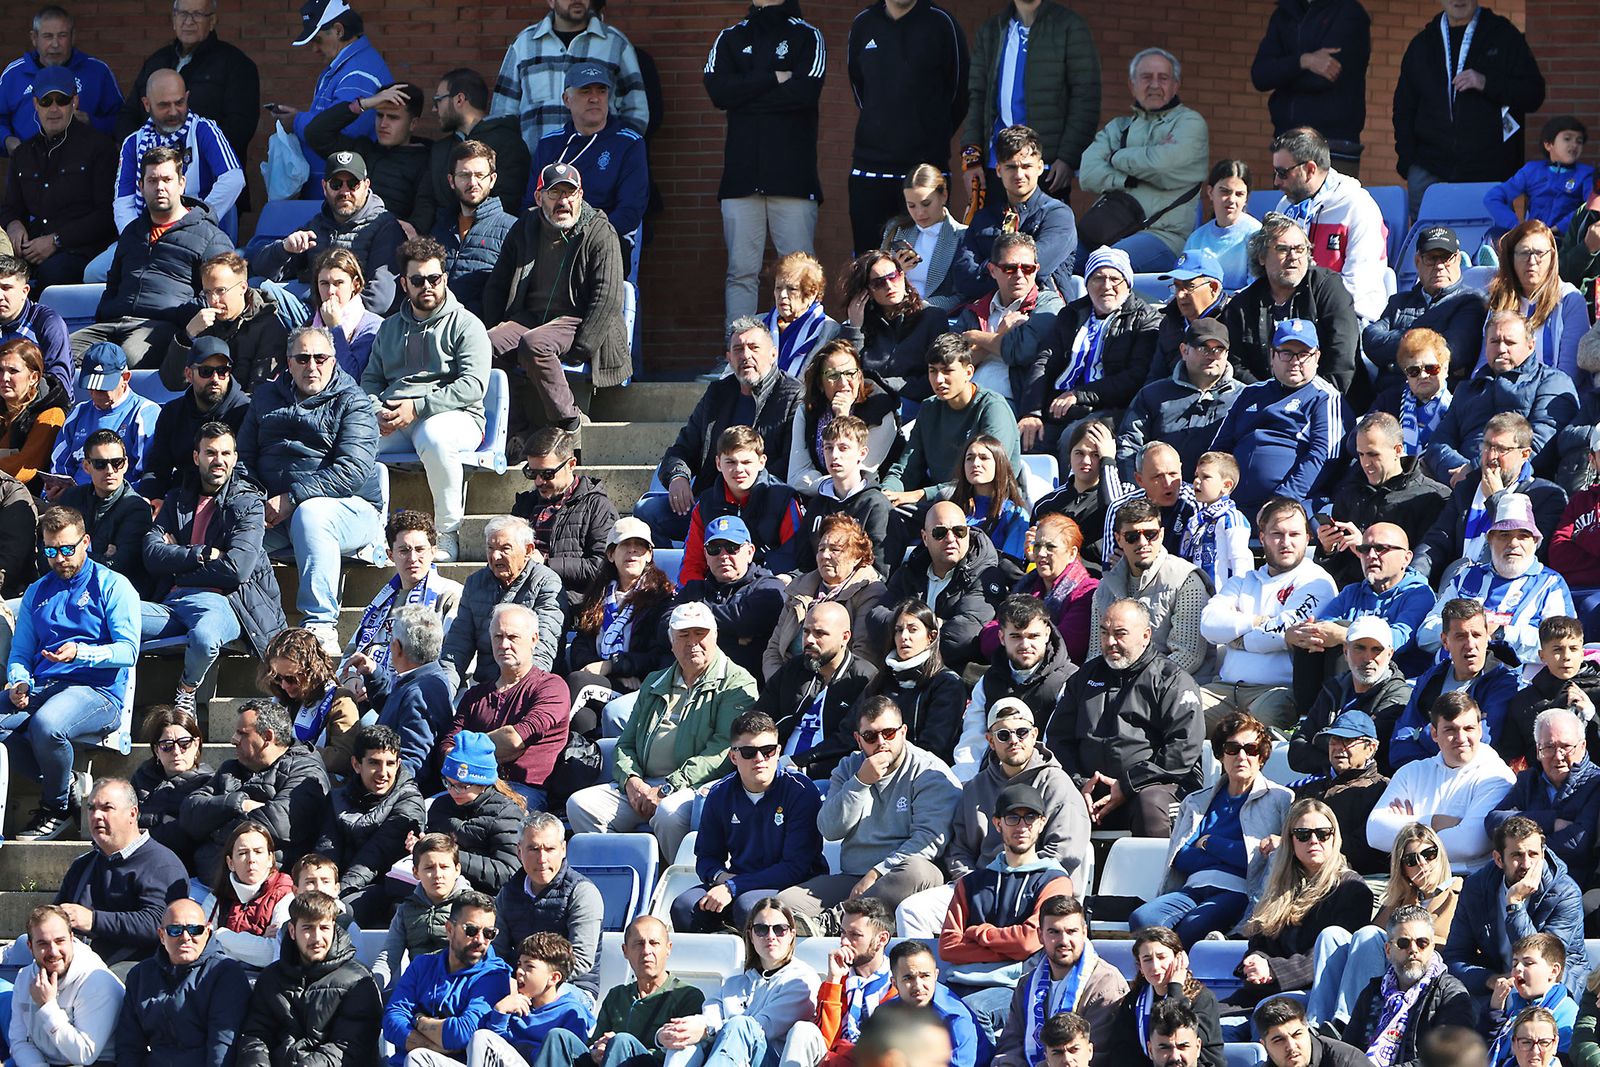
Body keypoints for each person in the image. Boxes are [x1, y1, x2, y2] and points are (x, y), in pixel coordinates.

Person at [567, 601, 756, 862]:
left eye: (700, 633)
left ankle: (677, 877)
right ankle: (624, 873)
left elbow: (723, 750)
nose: (693, 643)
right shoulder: (655, 681)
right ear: (671, 642)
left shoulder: (737, 683)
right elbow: (626, 742)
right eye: (683, 635)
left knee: (668, 814)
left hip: (695, 787)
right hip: (645, 783)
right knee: (580, 806)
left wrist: (669, 787)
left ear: (715, 636)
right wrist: (631, 781)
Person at [239, 325, 383, 656]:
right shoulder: (264, 397)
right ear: (288, 363)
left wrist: (292, 498)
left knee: (311, 513)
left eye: (321, 358)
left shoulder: (354, 401)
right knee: (232, 528)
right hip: (276, 510)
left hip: (349, 510)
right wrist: (254, 502)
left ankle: (320, 624)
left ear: (334, 361)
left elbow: (352, 471)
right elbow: (243, 459)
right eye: (303, 358)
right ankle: (248, 626)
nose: (312, 366)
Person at [1, 505, 137, 840]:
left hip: (97, 692)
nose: (60, 558)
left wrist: (82, 652)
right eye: (51, 551)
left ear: (85, 542)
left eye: (67, 549)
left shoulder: (113, 585)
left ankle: (57, 806)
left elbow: (128, 651)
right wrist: (20, 681)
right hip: (45, 686)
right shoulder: (37, 591)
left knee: (47, 725)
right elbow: (21, 653)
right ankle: (68, 782)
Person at [777, 696, 960, 934]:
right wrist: (860, 782)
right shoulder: (849, 767)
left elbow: (928, 841)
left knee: (917, 870)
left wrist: (878, 872)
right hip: (854, 876)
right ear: (858, 739)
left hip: (904, 877)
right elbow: (829, 829)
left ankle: (833, 922)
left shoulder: (929, 771)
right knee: (784, 906)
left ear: (904, 731)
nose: (881, 742)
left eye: (889, 733)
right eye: (871, 736)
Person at [142, 421, 285, 712]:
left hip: (221, 603)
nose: (218, 460)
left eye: (225, 453)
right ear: (197, 457)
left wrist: (177, 563)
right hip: (171, 605)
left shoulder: (248, 504)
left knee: (205, 638)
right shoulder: (177, 499)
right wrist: (203, 553)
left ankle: (185, 692)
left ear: (235, 457)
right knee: (111, 614)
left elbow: (237, 570)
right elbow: (152, 554)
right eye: (210, 453)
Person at [482, 162, 629, 440]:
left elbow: (607, 296)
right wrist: (497, 324)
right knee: (484, 345)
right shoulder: (525, 226)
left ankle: (571, 421)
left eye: (570, 193)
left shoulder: (599, 231)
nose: (563, 201)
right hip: (530, 318)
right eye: (554, 193)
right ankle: (516, 433)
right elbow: (497, 283)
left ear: (580, 195)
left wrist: (583, 347)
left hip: (577, 320)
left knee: (535, 344)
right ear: (539, 198)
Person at [364, 235, 489, 562]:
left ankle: (447, 533)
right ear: (404, 284)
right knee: (355, 442)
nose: (427, 286)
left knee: (434, 437)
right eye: (418, 280)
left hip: (455, 416)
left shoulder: (466, 324)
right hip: (396, 417)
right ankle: (369, 536)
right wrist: (376, 410)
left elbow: (473, 385)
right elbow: (371, 380)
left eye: (434, 278)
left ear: (444, 278)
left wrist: (418, 407)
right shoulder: (389, 328)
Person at [702, 0, 824, 327]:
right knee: (741, 272)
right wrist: (773, 78)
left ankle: (802, 346)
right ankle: (737, 347)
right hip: (741, 180)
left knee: (800, 274)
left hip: (793, 180)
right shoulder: (730, 37)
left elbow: (804, 93)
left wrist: (744, 95)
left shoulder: (807, 36)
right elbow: (718, 92)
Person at [1129, 712, 1292, 946]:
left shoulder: (1280, 799)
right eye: (1232, 748)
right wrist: (1234, 854)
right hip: (1193, 888)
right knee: (1143, 918)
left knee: (1194, 924)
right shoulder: (1196, 801)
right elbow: (1181, 856)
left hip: (1239, 891)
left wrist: (1209, 842)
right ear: (1221, 755)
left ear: (1262, 757)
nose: (1242, 756)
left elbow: (1255, 860)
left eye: (1251, 749)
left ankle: (1179, 967)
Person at [1048, 598, 1205, 839]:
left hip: (1153, 788)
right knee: (1043, 798)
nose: (1110, 642)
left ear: (1146, 635)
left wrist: (1127, 785)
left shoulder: (1172, 679)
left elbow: (1183, 749)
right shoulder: (1084, 677)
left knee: (1150, 804)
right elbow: (1059, 740)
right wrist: (1079, 783)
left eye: (1120, 634)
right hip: (1089, 791)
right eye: (1104, 633)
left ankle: (1157, 866)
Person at [641, 318, 802, 544]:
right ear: (729, 358)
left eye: (754, 348)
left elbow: (789, 462)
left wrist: (740, 487)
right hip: (711, 502)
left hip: (763, 507)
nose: (746, 355)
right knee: (647, 511)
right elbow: (683, 448)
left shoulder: (793, 395)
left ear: (773, 354)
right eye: (738, 349)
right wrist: (678, 476)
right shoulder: (717, 393)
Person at [940, 781, 1077, 1045]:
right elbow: (948, 947)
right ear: (997, 823)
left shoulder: (1054, 881)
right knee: (913, 1011)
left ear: (1042, 823)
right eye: (1012, 817)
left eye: (1030, 817)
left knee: (972, 1011)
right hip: (960, 983)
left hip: (1019, 985)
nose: (1022, 826)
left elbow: (1029, 941)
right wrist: (1010, 948)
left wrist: (980, 933)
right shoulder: (971, 883)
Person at [71, 146, 232, 364]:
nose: (160, 187)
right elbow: (113, 284)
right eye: (152, 181)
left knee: (126, 360)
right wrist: (108, 310)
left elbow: (219, 295)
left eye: (167, 180)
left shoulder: (211, 237)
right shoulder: (132, 232)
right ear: (141, 186)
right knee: (58, 356)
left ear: (181, 183)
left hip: (162, 327)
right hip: (113, 323)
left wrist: (177, 315)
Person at [1220, 797, 1376, 1016]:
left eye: (1323, 833)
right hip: (1264, 991)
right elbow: (1261, 942)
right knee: (1206, 1023)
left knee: (1265, 1020)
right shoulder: (1279, 886)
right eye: (1303, 834)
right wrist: (1257, 959)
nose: (1313, 840)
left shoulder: (1351, 888)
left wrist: (1274, 971)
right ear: (1291, 841)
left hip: (1315, 994)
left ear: (1334, 838)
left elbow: (1332, 957)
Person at [672, 710, 824, 933]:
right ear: (733, 757)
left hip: (793, 884)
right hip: (740, 881)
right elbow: (706, 858)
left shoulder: (801, 790)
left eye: (768, 751)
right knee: (685, 907)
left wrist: (733, 887)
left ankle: (751, 954)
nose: (759, 759)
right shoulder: (719, 794)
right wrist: (721, 877)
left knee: (749, 907)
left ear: (778, 751)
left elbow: (795, 868)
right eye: (749, 752)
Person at [1392, 0, 1545, 218]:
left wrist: (1486, 83)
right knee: (1428, 239)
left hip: (1487, 173)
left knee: (1488, 238)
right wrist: (1409, 163)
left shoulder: (1503, 36)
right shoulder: (1423, 44)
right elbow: (1404, 108)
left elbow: (1533, 94)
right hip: (1429, 170)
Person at [1199, 498, 1336, 730]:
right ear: (1262, 537)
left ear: (1308, 538)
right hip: (1224, 689)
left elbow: (1288, 631)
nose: (1286, 542)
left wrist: (1235, 637)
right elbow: (1208, 625)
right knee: (1182, 708)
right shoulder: (1243, 581)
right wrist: (1258, 621)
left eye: (1294, 534)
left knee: (1255, 722)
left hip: (1276, 692)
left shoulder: (1317, 581)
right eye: (1277, 534)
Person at [844, 0, 967, 254]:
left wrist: (929, 133)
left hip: (925, 170)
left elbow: (960, 93)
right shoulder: (863, 23)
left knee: (923, 261)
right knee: (869, 262)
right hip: (869, 170)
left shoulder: (942, 23)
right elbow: (859, 88)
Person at [1078, 48, 1209, 272]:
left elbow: (1162, 167)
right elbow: (1088, 174)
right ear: (1132, 85)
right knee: (1061, 262)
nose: (1154, 85)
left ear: (1175, 85)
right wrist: (1126, 179)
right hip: (1108, 227)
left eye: (1163, 78)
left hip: (1162, 236)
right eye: (1146, 77)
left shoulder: (1190, 123)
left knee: (1107, 267)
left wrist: (1116, 157)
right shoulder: (1118, 126)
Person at [961, 0, 1098, 206]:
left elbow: (1086, 97)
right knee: (992, 227)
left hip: (1046, 167)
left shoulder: (1069, 26)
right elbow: (977, 97)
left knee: (1043, 227)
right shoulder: (991, 29)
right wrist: (971, 160)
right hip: (996, 165)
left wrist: (1068, 158)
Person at [653, 900, 820, 1067]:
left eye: (779, 929)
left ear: (791, 935)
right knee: (686, 1042)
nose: (771, 936)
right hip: (730, 1056)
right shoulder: (735, 983)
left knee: (740, 1025)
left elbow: (762, 1027)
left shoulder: (802, 980)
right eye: (761, 929)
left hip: (771, 1061)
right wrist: (673, 1032)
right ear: (751, 936)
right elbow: (709, 1017)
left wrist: (707, 1030)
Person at [1418, 494, 1574, 669]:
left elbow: (1563, 646)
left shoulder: (1550, 584)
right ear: (1490, 540)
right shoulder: (1466, 577)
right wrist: (1469, 630)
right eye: (1504, 535)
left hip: (1516, 682)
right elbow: (1424, 635)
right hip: (1450, 677)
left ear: (1535, 541)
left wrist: (1501, 632)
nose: (1513, 543)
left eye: (1523, 536)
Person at [1209, 320, 1347, 516]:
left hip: (1289, 509)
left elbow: (1323, 457)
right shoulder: (1250, 393)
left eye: (1304, 354)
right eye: (1286, 353)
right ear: (1272, 356)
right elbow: (1219, 451)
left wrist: (1281, 501)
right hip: (1231, 504)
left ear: (1316, 357)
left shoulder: (1325, 398)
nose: (1295, 361)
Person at [1413, 412, 1568, 585]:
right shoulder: (1467, 488)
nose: (1491, 456)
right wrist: (1415, 576)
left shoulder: (1546, 496)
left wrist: (1497, 498)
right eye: (1487, 446)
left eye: (1501, 449)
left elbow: (1531, 551)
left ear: (1525, 454)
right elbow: (1437, 541)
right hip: (1456, 586)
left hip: (1509, 589)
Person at [178, 699, 331, 874]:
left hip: (271, 883)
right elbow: (189, 813)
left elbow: (279, 825)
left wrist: (213, 827)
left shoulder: (306, 771)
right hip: (209, 879)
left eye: (242, 733)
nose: (233, 740)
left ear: (267, 737)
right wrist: (238, 803)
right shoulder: (231, 769)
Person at [1370, 691, 1515, 873]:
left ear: (1480, 730)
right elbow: (1375, 833)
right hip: (1409, 879)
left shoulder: (1497, 776)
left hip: (1466, 881)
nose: (1461, 738)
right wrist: (1434, 822)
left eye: (1468, 728)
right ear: (1434, 733)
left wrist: (1407, 826)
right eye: (1450, 730)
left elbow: (1469, 845)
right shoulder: (1411, 772)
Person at [248, 151, 405, 319]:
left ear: (366, 186)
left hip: (357, 321)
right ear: (324, 187)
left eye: (353, 184)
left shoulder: (384, 226)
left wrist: (327, 313)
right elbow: (260, 269)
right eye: (336, 184)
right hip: (314, 310)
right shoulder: (317, 224)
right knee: (255, 286)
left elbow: (379, 300)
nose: (345, 191)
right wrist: (284, 249)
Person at [445, 604, 571, 811]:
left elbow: (514, 739)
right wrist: (490, 749)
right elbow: (447, 748)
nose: (504, 644)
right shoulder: (474, 696)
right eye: (498, 637)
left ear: (534, 639)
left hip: (522, 792)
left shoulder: (552, 687)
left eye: (513, 637)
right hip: (464, 786)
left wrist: (466, 749)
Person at [235, 890, 382, 1067]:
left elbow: (348, 1048)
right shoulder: (271, 978)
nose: (317, 938)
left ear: (334, 927)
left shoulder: (358, 981)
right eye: (307, 928)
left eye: (324, 928)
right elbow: (256, 1036)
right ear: (292, 931)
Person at [1447, 815, 1587, 999]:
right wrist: (1490, 980)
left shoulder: (1565, 893)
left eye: (1533, 854)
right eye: (1517, 855)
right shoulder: (1476, 888)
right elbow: (1455, 956)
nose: (1526, 864)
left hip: (1556, 987)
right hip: (1499, 985)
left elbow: (1542, 963)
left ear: (1543, 854)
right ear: (1498, 859)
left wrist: (1515, 904)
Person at [1, 67, 117, 289]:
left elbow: (106, 215)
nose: (54, 108)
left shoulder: (100, 148)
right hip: (30, 249)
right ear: (35, 104)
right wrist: (13, 224)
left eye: (61, 100)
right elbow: (10, 207)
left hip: (80, 250)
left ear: (75, 102)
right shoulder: (23, 153)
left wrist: (57, 240)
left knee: (53, 273)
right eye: (46, 101)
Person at [1221, 214, 1361, 394]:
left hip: (1327, 398)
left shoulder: (1328, 287)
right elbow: (1236, 364)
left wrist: (1309, 400)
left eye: (1300, 249)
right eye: (1282, 249)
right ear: (1262, 257)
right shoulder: (1242, 305)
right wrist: (1269, 398)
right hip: (1265, 402)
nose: (1293, 256)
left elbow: (1342, 355)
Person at [1039, 247, 1161, 452]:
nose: (1107, 286)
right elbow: (1044, 362)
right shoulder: (1071, 314)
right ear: (1087, 284)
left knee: (1076, 437)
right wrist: (1031, 413)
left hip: (1115, 407)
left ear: (1128, 283)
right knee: (1028, 435)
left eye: (1115, 279)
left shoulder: (1145, 319)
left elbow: (1136, 376)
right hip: (1063, 405)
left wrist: (1079, 394)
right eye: (1098, 278)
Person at [117, 0, 259, 170]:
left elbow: (239, 128)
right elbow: (128, 115)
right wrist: (145, 153)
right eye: (183, 14)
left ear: (212, 20)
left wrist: (186, 158)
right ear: (174, 19)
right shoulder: (156, 61)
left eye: (197, 14)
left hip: (211, 175)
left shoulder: (236, 64)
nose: (188, 21)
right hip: (153, 174)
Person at [339, 508, 464, 700]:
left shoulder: (450, 594)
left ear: (433, 551)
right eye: (404, 550)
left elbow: (452, 662)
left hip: (423, 696)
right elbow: (353, 651)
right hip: (373, 694)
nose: (413, 558)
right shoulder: (381, 601)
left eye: (420, 549)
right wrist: (351, 678)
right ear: (390, 555)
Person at [883, 335, 1021, 507]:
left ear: (968, 372)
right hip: (938, 502)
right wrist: (886, 493)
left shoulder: (993, 408)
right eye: (933, 371)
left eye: (947, 371)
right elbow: (907, 468)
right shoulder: (929, 408)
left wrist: (920, 494)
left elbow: (987, 475)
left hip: (985, 506)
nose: (938, 380)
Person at [529, 63, 648, 262]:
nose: (595, 98)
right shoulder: (549, 144)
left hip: (606, 244)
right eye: (585, 91)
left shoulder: (629, 143)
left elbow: (630, 211)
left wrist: (584, 239)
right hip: (551, 243)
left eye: (601, 90)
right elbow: (530, 203)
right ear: (567, 99)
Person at [489, 0, 647, 148]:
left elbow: (636, 110)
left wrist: (618, 151)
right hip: (536, 161)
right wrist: (514, 159)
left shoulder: (615, 43)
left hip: (600, 162)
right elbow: (502, 114)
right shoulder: (524, 44)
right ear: (551, 1)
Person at [993, 896, 1129, 1067]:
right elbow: (1011, 1043)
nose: (1064, 941)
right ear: (1040, 935)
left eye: (1071, 931)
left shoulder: (1106, 984)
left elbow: (1097, 1055)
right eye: (1054, 932)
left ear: (1084, 932)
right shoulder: (1026, 984)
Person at [380, 891, 512, 1067]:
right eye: (471, 930)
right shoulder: (422, 965)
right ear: (449, 929)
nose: (480, 940)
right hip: (403, 1063)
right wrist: (433, 1046)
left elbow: (463, 1034)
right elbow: (391, 1020)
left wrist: (418, 1020)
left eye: (489, 933)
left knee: (416, 1058)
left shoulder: (494, 975)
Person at [1268, 127, 1388, 320]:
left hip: (1350, 315)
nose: (1276, 182)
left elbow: (1357, 286)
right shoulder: (1286, 205)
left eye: (1283, 173)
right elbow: (1271, 269)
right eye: (1275, 172)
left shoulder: (1358, 206)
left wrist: (1305, 309)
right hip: (1296, 312)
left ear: (1310, 170)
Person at [871, 500, 1005, 673]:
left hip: (955, 675)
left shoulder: (985, 574)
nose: (951, 539)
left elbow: (964, 635)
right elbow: (876, 617)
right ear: (925, 538)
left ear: (968, 533)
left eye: (959, 531)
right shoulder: (911, 570)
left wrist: (910, 633)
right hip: (905, 670)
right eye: (940, 533)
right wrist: (925, 625)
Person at [111, 69, 243, 244]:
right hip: (146, 238)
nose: (173, 112)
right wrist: (136, 241)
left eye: (179, 102)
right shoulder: (133, 142)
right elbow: (123, 203)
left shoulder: (204, 130)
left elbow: (234, 179)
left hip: (201, 238)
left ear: (187, 97)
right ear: (147, 104)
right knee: (100, 264)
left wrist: (198, 222)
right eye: (164, 105)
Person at [272, 0, 392, 192]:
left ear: (338, 30)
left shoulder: (358, 73)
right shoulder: (346, 65)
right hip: (334, 185)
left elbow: (342, 132)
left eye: (317, 40)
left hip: (343, 188)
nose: (314, 49)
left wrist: (296, 121)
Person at [565, 516, 675, 724]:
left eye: (639, 546)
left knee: (577, 681)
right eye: (625, 544)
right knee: (583, 719)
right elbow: (581, 644)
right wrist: (601, 669)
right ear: (611, 554)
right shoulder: (598, 594)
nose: (632, 550)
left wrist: (614, 666)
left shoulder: (661, 597)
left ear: (649, 555)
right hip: (601, 682)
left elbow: (659, 655)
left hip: (638, 686)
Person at [115, 898, 250, 1067]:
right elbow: (129, 1044)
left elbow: (223, 1046)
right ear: (161, 935)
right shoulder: (140, 975)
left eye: (195, 930)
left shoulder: (225, 973)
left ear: (207, 932)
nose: (186, 937)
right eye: (175, 930)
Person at [1319, 415, 1450, 588]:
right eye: (1361, 454)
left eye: (1373, 454)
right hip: (1347, 594)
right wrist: (1328, 550)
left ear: (1398, 450)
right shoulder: (1350, 491)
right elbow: (1333, 570)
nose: (1365, 463)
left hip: (1399, 595)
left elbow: (1426, 563)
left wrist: (1366, 549)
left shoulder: (1431, 498)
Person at [952, 125, 1078, 303]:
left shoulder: (1058, 215)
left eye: (1026, 166)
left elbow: (1034, 271)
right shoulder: (983, 218)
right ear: (998, 170)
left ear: (1040, 167)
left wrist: (989, 267)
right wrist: (999, 270)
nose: (1019, 174)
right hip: (984, 308)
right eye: (1011, 167)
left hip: (1040, 308)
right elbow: (963, 279)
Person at [1389, 599, 1520, 770]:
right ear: (1445, 641)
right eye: (1461, 636)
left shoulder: (1503, 681)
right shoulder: (1431, 678)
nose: (1470, 644)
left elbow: (1479, 743)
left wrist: (1422, 734)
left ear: (1487, 637)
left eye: (1477, 635)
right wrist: (1433, 765)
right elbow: (1399, 747)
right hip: (1423, 776)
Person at [315, 725, 426, 926]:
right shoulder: (337, 797)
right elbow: (327, 849)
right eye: (374, 763)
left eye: (390, 764)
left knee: (337, 915)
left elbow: (377, 854)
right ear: (356, 764)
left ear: (398, 764)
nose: (383, 773)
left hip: (384, 886)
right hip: (340, 885)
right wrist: (321, 885)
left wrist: (338, 894)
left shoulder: (409, 800)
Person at [1089, 500, 1211, 678]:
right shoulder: (1103, 589)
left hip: (1176, 684)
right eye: (1132, 536)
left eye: (1150, 534)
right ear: (1118, 539)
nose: (1142, 542)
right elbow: (1095, 654)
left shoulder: (1186, 579)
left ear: (1161, 535)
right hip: (1117, 683)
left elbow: (1188, 656)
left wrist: (1136, 683)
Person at [440, 515, 565, 686]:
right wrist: (443, 687)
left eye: (505, 549)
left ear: (528, 550)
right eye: (490, 548)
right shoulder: (475, 583)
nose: (495, 556)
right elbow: (458, 645)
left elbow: (544, 644)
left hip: (531, 684)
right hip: (486, 685)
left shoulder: (546, 582)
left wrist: (518, 690)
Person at [758, 600, 880, 777]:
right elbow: (761, 716)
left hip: (828, 777)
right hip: (773, 768)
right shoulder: (793, 669)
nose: (809, 640)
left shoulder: (865, 679)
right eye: (806, 631)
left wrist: (799, 764)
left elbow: (849, 741)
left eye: (820, 633)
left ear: (845, 637)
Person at [489, 812, 603, 999]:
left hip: (572, 987)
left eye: (550, 849)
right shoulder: (508, 893)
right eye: (533, 849)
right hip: (519, 984)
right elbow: (497, 953)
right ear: (519, 851)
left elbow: (581, 960)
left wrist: (533, 984)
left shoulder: (582, 892)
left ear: (563, 849)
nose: (542, 858)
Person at [1119, 319, 1244, 485]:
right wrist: (1136, 490)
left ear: (1227, 354)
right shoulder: (1153, 395)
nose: (1211, 355)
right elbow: (1129, 446)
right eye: (1203, 348)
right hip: (1160, 494)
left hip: (1221, 496)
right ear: (1184, 351)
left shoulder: (1244, 398)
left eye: (1219, 349)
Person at [1250, 0, 1370, 173]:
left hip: (1334, 145)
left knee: (1333, 193)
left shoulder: (1349, 12)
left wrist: (1281, 75)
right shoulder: (1284, 13)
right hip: (1288, 141)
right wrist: (1304, 61)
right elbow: (1260, 76)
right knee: (1287, 193)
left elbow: (1325, 77)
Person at [957, 599, 1079, 769]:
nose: (1025, 645)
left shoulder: (1069, 681)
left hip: (1047, 776)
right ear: (1001, 637)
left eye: (1033, 636)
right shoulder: (988, 681)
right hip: (993, 776)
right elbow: (972, 743)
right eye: (1016, 636)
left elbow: (1058, 746)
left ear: (1047, 634)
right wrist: (966, 781)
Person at [1287, 612, 1409, 776]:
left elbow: (1368, 754)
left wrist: (1319, 740)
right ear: (1345, 651)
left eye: (1377, 650)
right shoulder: (1333, 689)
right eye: (1360, 648)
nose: (1368, 658)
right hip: (1325, 783)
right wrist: (1337, 756)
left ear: (1390, 654)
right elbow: (1296, 754)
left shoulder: (1399, 696)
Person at [679, 426, 803, 585]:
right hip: (718, 589)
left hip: (768, 586)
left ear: (761, 462)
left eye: (746, 462)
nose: (738, 469)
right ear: (718, 463)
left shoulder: (783, 499)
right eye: (730, 462)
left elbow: (793, 558)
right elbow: (692, 563)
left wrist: (771, 585)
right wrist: (693, 593)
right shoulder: (705, 504)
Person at [782, 896, 897, 1066]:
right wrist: (833, 981)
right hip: (833, 1061)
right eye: (843, 932)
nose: (844, 941)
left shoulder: (900, 983)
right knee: (803, 1029)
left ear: (882, 939)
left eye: (855, 935)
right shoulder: (837, 980)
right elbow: (825, 1040)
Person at [305, 82, 432, 235]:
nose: (383, 124)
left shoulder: (425, 160)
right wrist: (363, 104)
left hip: (388, 238)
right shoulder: (363, 150)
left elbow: (424, 211)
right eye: (379, 115)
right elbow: (315, 134)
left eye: (393, 117)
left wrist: (409, 229)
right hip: (340, 234)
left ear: (413, 124)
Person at [769, 513, 887, 677]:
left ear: (857, 557)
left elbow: (864, 655)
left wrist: (818, 687)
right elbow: (774, 649)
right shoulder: (799, 588)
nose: (825, 555)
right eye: (821, 549)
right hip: (786, 680)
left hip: (837, 684)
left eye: (835, 550)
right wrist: (778, 684)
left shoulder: (871, 592)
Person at [1363, 228, 1490, 378]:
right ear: (1417, 261)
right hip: (1389, 391)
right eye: (1431, 258)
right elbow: (1370, 340)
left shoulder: (1471, 301)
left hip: (1439, 390)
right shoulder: (1398, 302)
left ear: (1457, 260)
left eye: (1446, 258)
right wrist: (1431, 338)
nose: (1439, 266)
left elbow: (1453, 354)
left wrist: (1392, 365)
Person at [7, 902, 123, 1066]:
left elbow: (84, 1054)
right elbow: (20, 1041)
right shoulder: (25, 977)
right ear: (30, 947)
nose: (53, 952)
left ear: (71, 938)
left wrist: (47, 1006)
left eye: (60, 941)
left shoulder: (98, 981)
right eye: (43, 944)